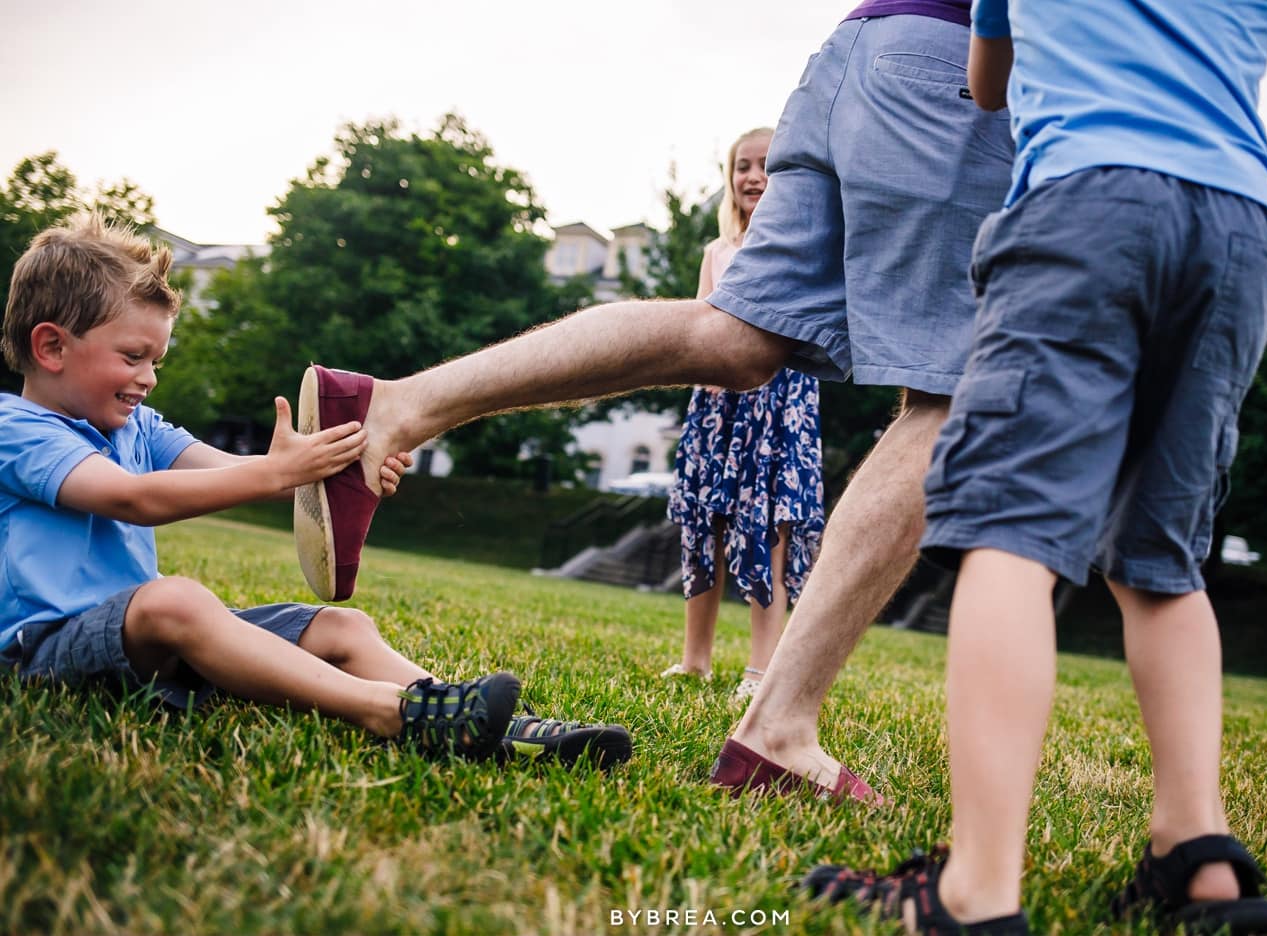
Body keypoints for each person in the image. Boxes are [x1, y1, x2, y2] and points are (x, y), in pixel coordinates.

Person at [294, 0, 1013, 802]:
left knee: (733, 337)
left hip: (858, 52)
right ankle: (777, 730)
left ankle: (396, 404)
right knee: (957, 389)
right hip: (961, 72)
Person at [804, 0, 1267, 933]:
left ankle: (975, 892)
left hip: (1090, 200)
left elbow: (989, 83)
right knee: (1161, 557)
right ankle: (1198, 857)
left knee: (1006, 531)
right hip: (1242, 222)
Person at [0, 215, 631, 772]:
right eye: (133, 356)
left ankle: (495, 730)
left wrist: (342, 465)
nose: (149, 378)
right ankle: (391, 712)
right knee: (178, 601)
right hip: (47, 653)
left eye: (157, 359)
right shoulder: (16, 429)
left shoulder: (138, 425)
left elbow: (229, 472)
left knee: (342, 627)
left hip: (142, 651)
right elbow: (128, 498)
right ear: (52, 346)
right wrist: (275, 473)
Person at [661, 127, 825, 702]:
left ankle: (760, 669)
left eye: (767, 166)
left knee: (765, 535)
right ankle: (695, 659)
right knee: (703, 528)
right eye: (743, 166)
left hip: (778, 407)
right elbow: (705, 326)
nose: (753, 176)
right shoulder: (718, 251)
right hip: (716, 406)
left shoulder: (803, 243)